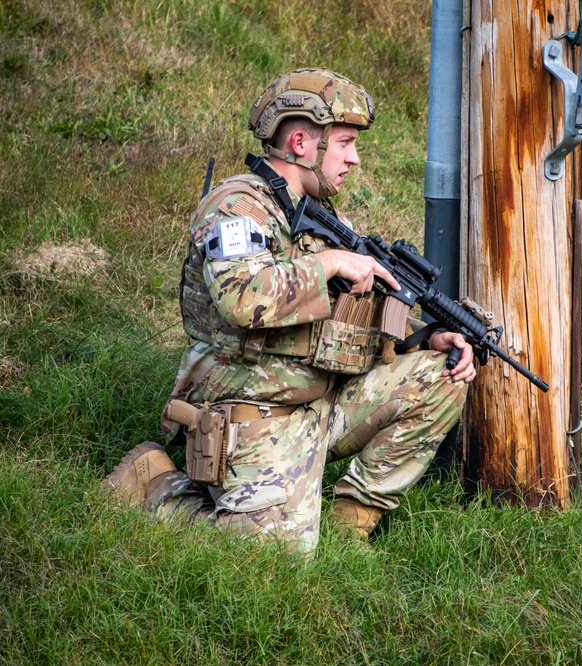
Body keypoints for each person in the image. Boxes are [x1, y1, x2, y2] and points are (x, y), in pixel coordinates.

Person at [104, 68, 475, 555]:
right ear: (301, 142)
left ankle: (348, 531)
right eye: (345, 143)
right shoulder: (237, 208)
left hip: (319, 399)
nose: (355, 158)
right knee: (272, 560)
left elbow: (349, 317)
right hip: (251, 412)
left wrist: (422, 339)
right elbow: (242, 298)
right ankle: (156, 484)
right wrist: (331, 263)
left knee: (442, 374)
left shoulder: (321, 218)